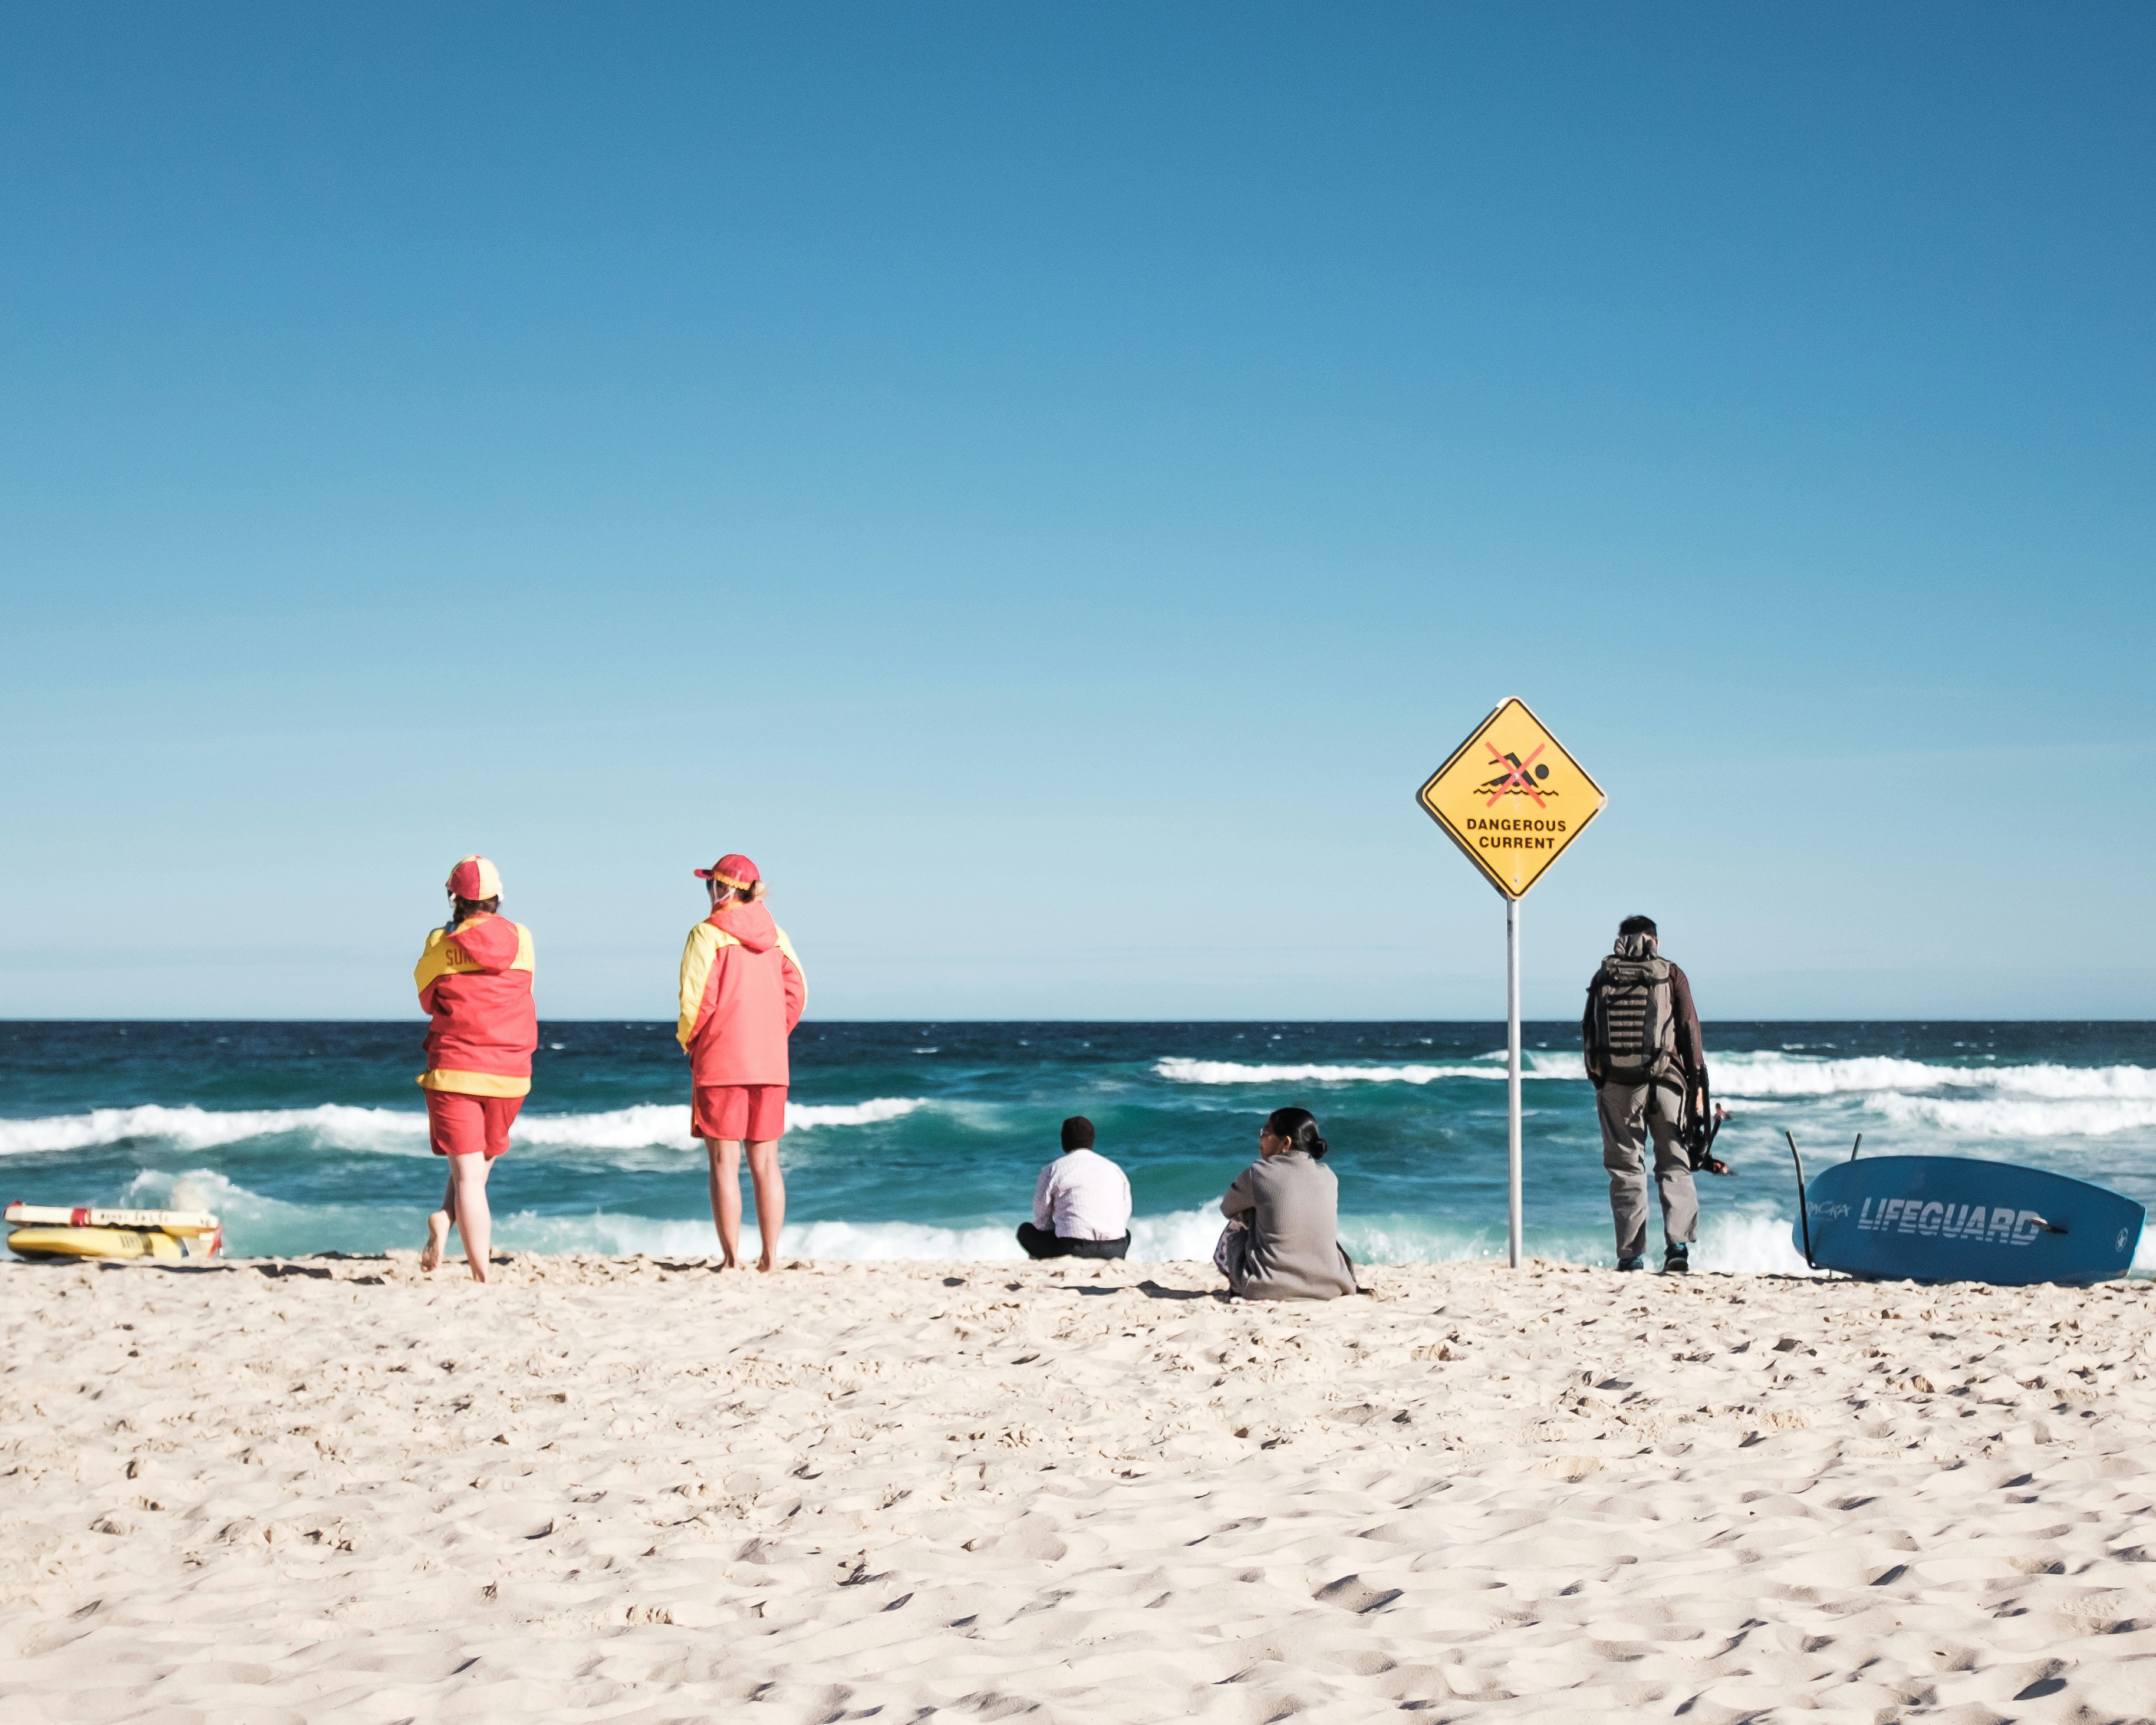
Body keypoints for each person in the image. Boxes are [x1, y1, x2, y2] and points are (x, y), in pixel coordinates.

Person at [677, 853, 807, 1271]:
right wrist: (770, 1033)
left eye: (710, 884)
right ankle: (770, 1258)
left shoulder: (706, 934)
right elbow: (798, 993)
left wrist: (689, 1044)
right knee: (766, 1163)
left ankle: (731, 1260)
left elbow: (696, 1001)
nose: (708, 892)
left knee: (723, 1163)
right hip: (769, 1061)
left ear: (724, 889)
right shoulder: (778, 936)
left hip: (721, 1060)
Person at [413, 855, 536, 1283]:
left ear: (454, 898)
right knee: (477, 1169)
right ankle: (446, 1221)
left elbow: (426, 998)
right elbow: (524, 988)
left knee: (467, 1176)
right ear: (497, 898)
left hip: (456, 1070)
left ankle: (481, 1276)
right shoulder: (522, 938)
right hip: (510, 1070)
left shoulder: (438, 942)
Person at [1582, 913, 1708, 1273]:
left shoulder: (1604, 975)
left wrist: (1601, 1081)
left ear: (1621, 940)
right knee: (1674, 1165)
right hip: (1668, 1084)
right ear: (1656, 941)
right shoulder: (1670, 973)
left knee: (1625, 1170)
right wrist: (1698, 1087)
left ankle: (1631, 1256)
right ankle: (1678, 1249)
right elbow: (1689, 1031)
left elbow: (1589, 1031)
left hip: (1618, 1086)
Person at [1213, 1107, 1356, 1301]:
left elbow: (1227, 1208)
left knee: (1240, 1218)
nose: (1260, 1138)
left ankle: (1238, 1285)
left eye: (1265, 1133)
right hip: (1332, 1286)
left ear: (1285, 1143)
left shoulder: (1259, 1172)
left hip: (1265, 1287)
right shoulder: (1329, 1176)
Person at [1018, 1116, 1133, 1259]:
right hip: (1115, 1250)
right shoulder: (1115, 1169)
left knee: (1025, 1231)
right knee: (1126, 1233)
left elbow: (1042, 1218)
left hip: (1073, 1249)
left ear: (1064, 1141)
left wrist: (1058, 1230)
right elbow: (1124, 1213)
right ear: (1093, 1140)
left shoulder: (1053, 1169)